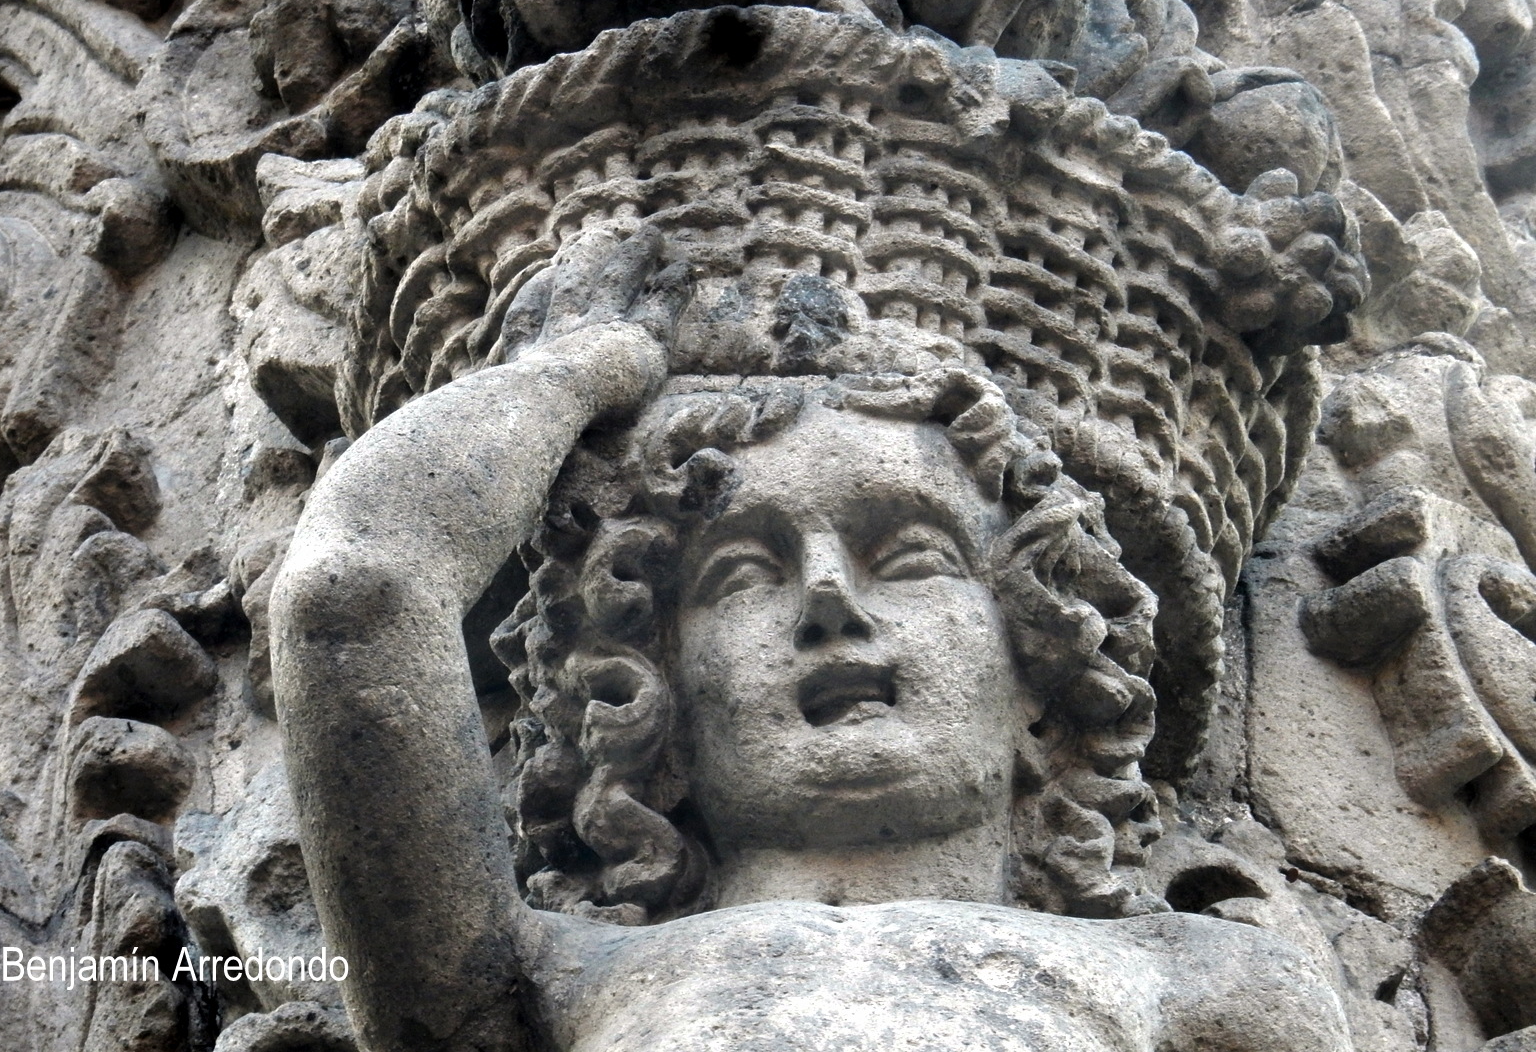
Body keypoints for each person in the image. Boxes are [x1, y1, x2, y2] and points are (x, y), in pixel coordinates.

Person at [271, 228, 1355, 1052]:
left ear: (1040, 675)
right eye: (744, 572)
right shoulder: (536, 982)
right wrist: (583, 370)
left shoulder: (1203, 986)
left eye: (913, 554)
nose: (828, 602)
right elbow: (356, 595)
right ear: (661, 711)